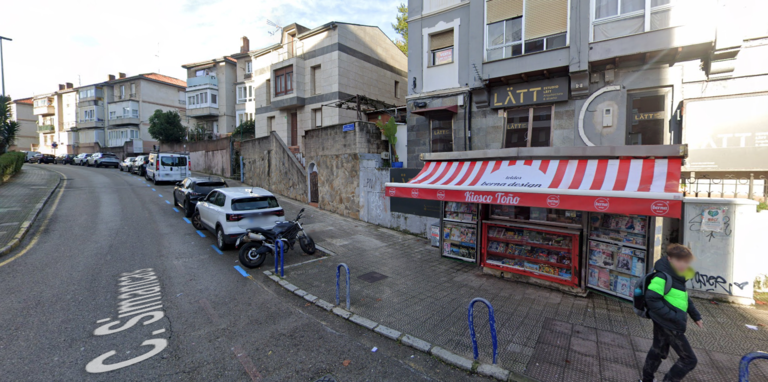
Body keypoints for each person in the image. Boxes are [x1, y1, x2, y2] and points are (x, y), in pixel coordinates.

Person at [641, 244, 702, 382]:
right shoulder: (662, 276)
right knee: (689, 360)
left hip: (666, 321)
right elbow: (651, 298)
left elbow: (683, 297)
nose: (683, 265)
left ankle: (646, 379)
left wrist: (695, 315)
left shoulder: (677, 276)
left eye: (686, 262)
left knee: (658, 351)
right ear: (669, 258)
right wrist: (672, 316)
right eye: (679, 260)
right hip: (669, 324)